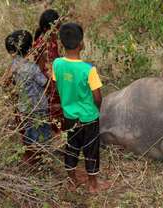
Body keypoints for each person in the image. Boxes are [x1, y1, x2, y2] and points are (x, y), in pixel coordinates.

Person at [52, 23, 106, 193]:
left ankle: (71, 180)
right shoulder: (89, 70)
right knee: (91, 149)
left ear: (62, 43)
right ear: (82, 43)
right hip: (88, 117)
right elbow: (97, 97)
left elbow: (56, 85)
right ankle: (92, 184)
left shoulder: (57, 64)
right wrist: (96, 110)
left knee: (71, 147)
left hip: (69, 116)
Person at [5, 30, 51, 163]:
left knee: (29, 133)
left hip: (24, 107)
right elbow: (44, 83)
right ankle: (41, 159)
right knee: (42, 134)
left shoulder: (13, 66)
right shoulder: (32, 68)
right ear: (30, 48)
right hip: (38, 106)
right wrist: (44, 67)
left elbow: (9, 83)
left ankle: (29, 156)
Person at [33, 9, 63, 133]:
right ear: (47, 28)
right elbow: (40, 68)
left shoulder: (49, 40)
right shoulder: (43, 45)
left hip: (50, 81)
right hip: (48, 84)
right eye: (57, 28)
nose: (59, 31)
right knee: (55, 111)